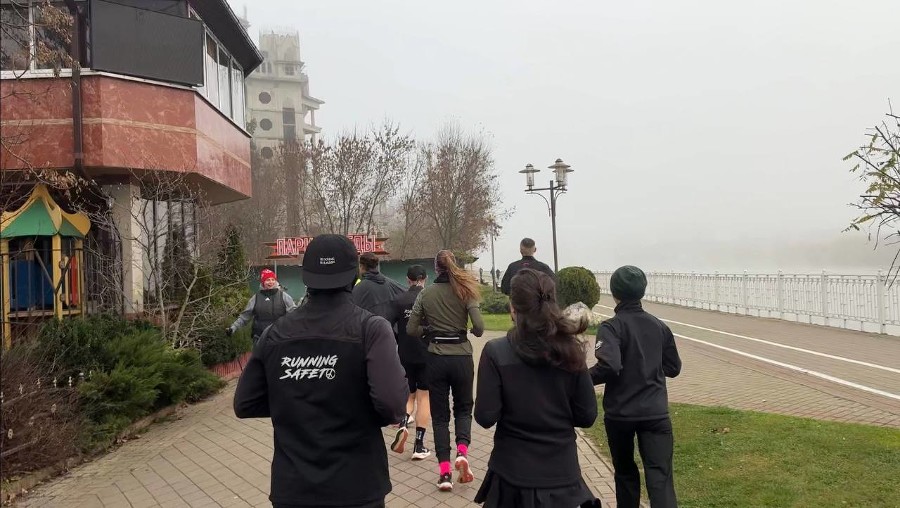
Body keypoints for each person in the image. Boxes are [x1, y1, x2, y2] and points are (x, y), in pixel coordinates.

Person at [234, 234, 409, 508]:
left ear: (306, 277)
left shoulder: (274, 333)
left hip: (294, 488)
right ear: (354, 276)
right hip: (357, 485)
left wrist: (295, 401)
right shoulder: (372, 329)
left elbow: (246, 403)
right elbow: (392, 405)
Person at [474, 268, 601, 508]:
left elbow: (485, 416)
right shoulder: (571, 351)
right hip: (562, 476)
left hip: (512, 475)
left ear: (513, 308)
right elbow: (587, 416)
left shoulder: (495, 352)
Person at [589, 265, 682, 508]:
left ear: (614, 293)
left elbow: (610, 366)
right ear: (642, 291)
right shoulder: (659, 326)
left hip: (621, 414)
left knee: (625, 473)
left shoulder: (611, 327)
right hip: (655, 412)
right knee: (660, 476)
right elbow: (673, 367)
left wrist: (582, 379)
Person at [407, 250, 484, 492]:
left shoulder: (425, 293)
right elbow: (479, 327)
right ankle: (462, 451)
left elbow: (411, 329)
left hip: (436, 358)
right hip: (462, 357)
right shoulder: (465, 290)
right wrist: (470, 331)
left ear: (435, 269)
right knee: (463, 409)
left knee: (440, 417)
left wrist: (428, 331)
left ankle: (444, 474)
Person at [386, 265, 432, 461]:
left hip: (405, 353)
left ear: (408, 280)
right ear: (425, 278)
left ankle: (403, 424)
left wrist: (399, 339)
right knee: (424, 397)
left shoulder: (398, 300)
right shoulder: (429, 298)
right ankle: (419, 445)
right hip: (426, 353)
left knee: (410, 394)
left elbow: (388, 325)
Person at [227, 268, 296, 343]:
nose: (271, 282)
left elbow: (294, 314)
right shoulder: (255, 298)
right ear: (263, 282)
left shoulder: (284, 296)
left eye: (273, 279)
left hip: (280, 337)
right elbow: (245, 316)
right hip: (259, 337)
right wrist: (233, 327)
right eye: (268, 280)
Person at [352, 252, 406, 319]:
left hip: (370, 324)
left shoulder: (358, 289)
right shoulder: (391, 284)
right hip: (389, 324)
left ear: (361, 266)